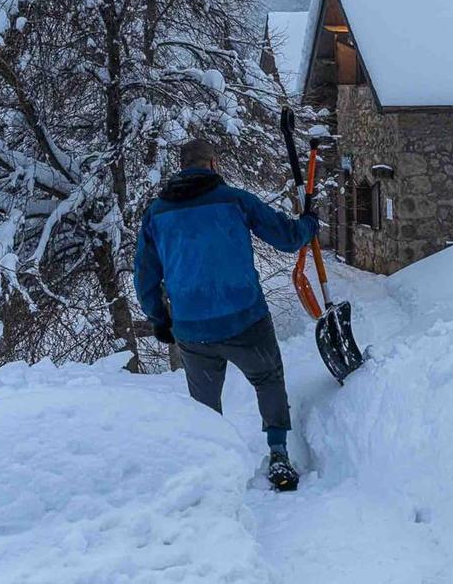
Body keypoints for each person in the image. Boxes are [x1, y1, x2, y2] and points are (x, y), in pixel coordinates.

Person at [134, 138, 318, 491]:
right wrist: (309, 223)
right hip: (245, 318)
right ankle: (278, 453)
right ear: (213, 164)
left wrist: (159, 319)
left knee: (204, 405)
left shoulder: (156, 214)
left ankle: (211, 466)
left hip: (192, 329)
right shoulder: (235, 200)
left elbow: (144, 274)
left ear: (181, 167)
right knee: (268, 379)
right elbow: (287, 237)